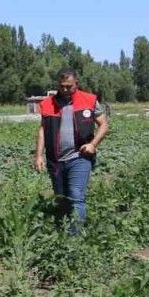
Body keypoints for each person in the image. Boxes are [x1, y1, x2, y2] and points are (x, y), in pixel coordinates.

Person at [34, 68, 109, 235]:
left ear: (76, 83)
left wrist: (93, 144)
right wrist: (38, 155)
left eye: (69, 86)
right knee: (61, 199)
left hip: (80, 157)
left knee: (76, 196)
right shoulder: (48, 104)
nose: (65, 89)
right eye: (62, 86)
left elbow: (104, 125)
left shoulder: (88, 100)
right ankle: (63, 232)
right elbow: (42, 130)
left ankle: (74, 239)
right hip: (55, 160)